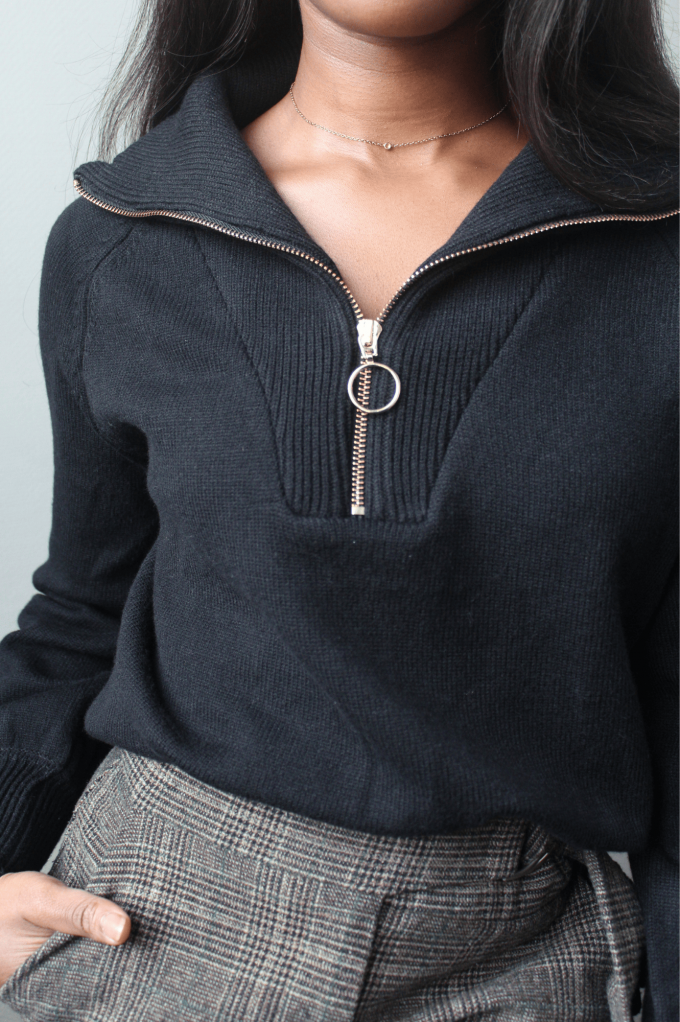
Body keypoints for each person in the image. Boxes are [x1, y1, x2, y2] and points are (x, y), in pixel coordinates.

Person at [0, 0, 677, 1019]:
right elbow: (80, 613)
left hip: (522, 956)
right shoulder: (119, 240)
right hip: (147, 930)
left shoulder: (658, 251)